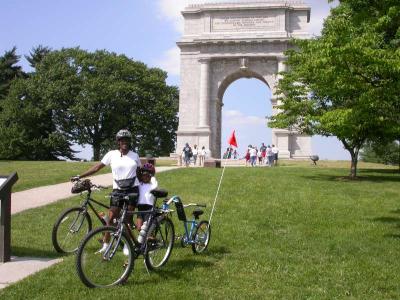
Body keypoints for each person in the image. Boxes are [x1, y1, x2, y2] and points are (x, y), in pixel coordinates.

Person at [71, 129, 141, 252]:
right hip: (118, 190)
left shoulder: (135, 156)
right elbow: (97, 167)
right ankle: (106, 244)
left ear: (129, 142)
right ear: (118, 142)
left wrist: (148, 186)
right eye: (122, 140)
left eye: (126, 140)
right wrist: (80, 176)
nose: (124, 142)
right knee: (112, 217)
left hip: (132, 190)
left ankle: (127, 245)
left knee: (127, 219)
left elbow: (140, 174)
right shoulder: (111, 154)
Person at [136, 163, 158, 231]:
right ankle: (145, 240)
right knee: (139, 228)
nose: (145, 177)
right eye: (143, 175)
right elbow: (136, 177)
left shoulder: (153, 185)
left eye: (147, 176)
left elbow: (154, 182)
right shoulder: (140, 184)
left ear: (151, 176)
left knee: (147, 228)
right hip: (140, 208)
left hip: (149, 208)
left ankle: (151, 238)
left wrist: (152, 175)